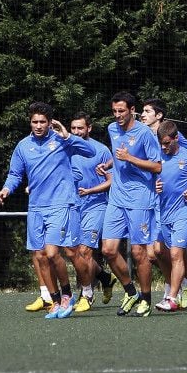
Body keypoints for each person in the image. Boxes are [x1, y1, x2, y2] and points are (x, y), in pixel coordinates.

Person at [0, 102, 96, 319]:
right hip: (36, 207)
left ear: (50, 123)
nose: (39, 126)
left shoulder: (62, 140)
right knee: (40, 257)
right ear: (30, 122)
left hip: (61, 204)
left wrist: (68, 136)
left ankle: (68, 295)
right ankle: (53, 299)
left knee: (54, 253)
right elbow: (15, 174)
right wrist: (6, 188)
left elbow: (91, 151)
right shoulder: (23, 146)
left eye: (43, 122)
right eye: (35, 122)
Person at [101, 92, 163, 317]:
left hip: (139, 198)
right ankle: (130, 291)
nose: (117, 115)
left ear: (132, 110)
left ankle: (146, 298)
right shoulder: (111, 129)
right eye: (115, 111)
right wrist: (109, 165)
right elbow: (117, 157)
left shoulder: (145, 133)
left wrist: (131, 159)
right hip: (117, 197)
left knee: (138, 253)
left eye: (122, 111)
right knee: (108, 250)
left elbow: (157, 166)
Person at [140, 97, 187, 307]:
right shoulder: (142, 134)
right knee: (156, 252)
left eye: (147, 111)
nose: (143, 114)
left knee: (173, 251)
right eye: (142, 111)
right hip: (156, 200)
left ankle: (172, 291)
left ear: (158, 115)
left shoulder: (173, 136)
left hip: (178, 204)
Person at [153, 120, 187, 311]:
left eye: (167, 143)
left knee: (176, 253)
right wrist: (156, 185)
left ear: (176, 138)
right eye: (162, 143)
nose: (164, 147)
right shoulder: (158, 157)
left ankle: (171, 298)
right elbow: (155, 178)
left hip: (185, 211)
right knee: (176, 255)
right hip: (164, 212)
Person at [68, 111, 118, 312]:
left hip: (96, 206)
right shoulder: (65, 149)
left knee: (84, 251)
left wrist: (89, 190)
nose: (77, 132)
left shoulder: (102, 150)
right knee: (73, 253)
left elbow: (111, 181)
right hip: (72, 207)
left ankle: (86, 295)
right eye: (73, 128)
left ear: (89, 128)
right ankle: (105, 277)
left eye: (80, 128)